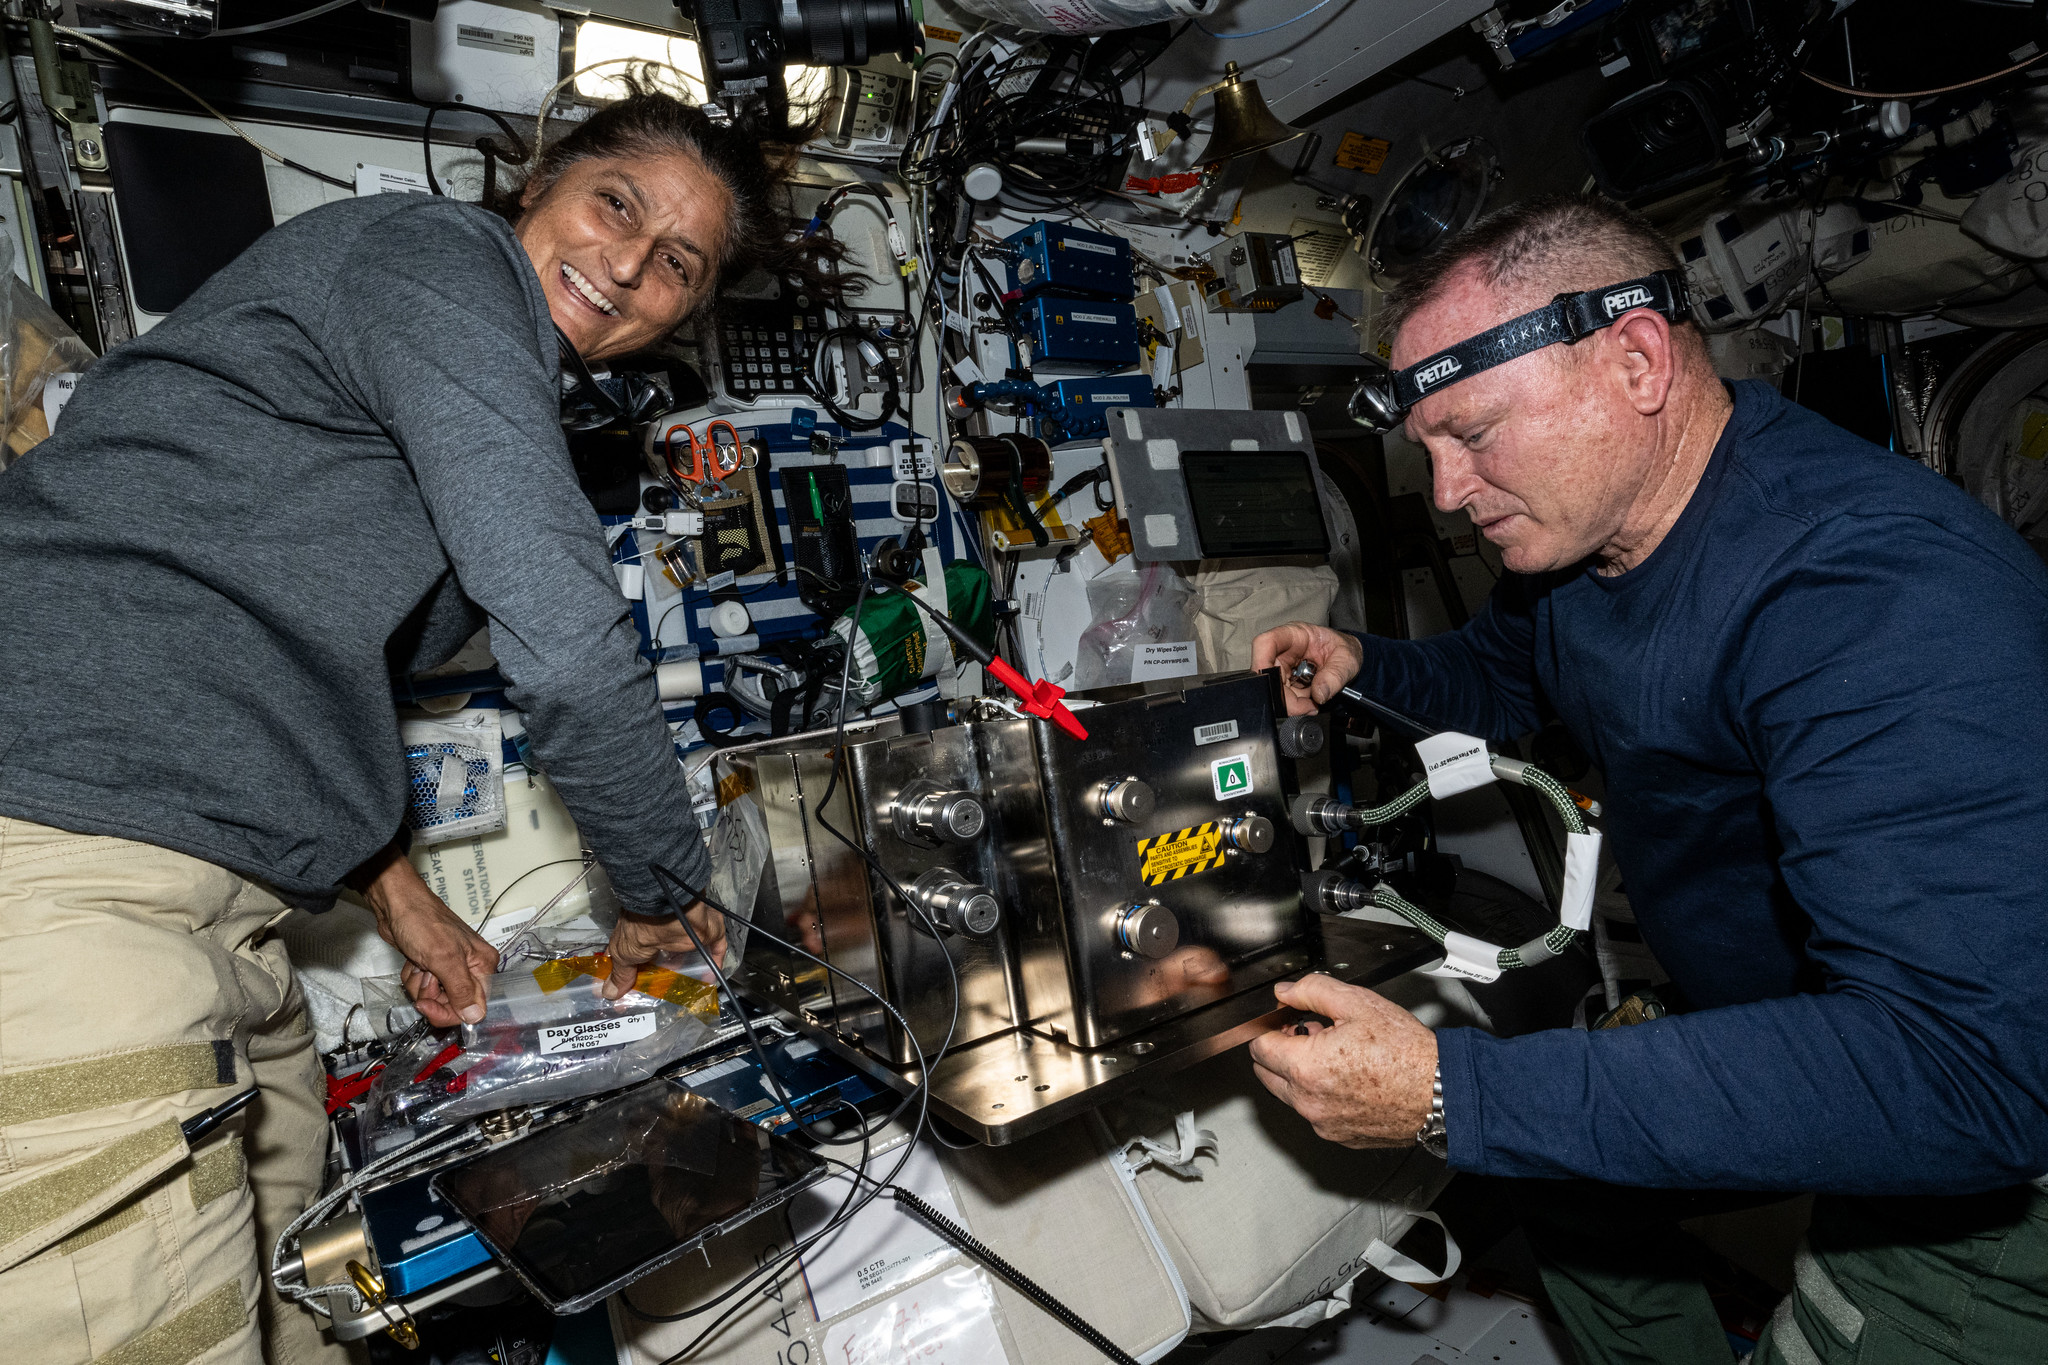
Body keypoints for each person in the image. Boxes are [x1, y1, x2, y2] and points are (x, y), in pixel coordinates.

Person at [0, 76, 835, 1363]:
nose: (625, 264)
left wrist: (403, 903)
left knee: (315, 1313)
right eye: (615, 206)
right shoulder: (434, 256)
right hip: (64, 876)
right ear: (536, 185)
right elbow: (564, 634)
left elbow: (296, 670)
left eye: (675, 263)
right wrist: (661, 888)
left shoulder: (444, 394)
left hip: (225, 919)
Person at [1248, 195, 2048, 1363]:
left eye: (1470, 434)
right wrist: (1366, 666)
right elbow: (1506, 676)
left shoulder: (1869, 595)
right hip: (1789, 1015)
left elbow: (1962, 1076)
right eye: (1425, 449)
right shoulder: (1587, 546)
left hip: (1982, 1142)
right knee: (1563, 1190)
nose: (1445, 494)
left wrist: (1450, 1094)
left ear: (1633, 361)